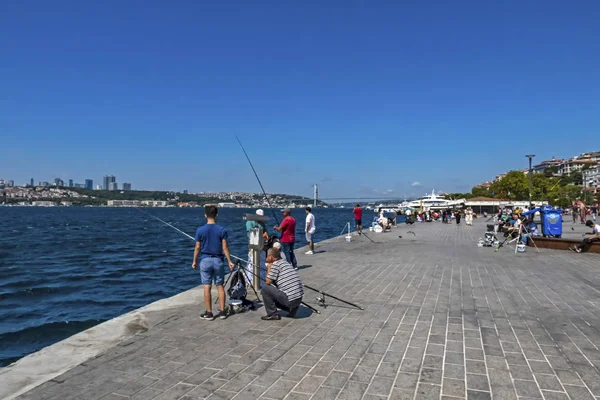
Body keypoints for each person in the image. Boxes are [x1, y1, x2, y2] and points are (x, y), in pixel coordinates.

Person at [192, 205, 235, 321]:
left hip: (205, 260)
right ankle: (222, 311)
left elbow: (197, 247)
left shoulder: (200, 230)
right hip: (218, 261)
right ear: (217, 215)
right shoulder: (222, 230)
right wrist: (230, 261)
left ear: (205, 215)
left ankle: (209, 313)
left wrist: (194, 261)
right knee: (220, 286)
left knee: (207, 286)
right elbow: (225, 247)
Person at [260, 247, 304, 320]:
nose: (266, 258)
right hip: (298, 299)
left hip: (290, 301)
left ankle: (273, 313)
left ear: (271, 257)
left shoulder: (275, 265)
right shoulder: (285, 262)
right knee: (276, 288)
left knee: (265, 288)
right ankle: (292, 310)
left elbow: (268, 281)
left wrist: (269, 267)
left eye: (267, 256)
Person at [245, 209, 269, 288]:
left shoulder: (262, 223)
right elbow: (250, 235)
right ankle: (250, 281)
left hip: (261, 245)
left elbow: (265, 231)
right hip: (253, 245)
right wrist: (262, 235)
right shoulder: (250, 222)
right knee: (252, 263)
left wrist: (266, 234)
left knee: (261, 263)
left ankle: (261, 281)